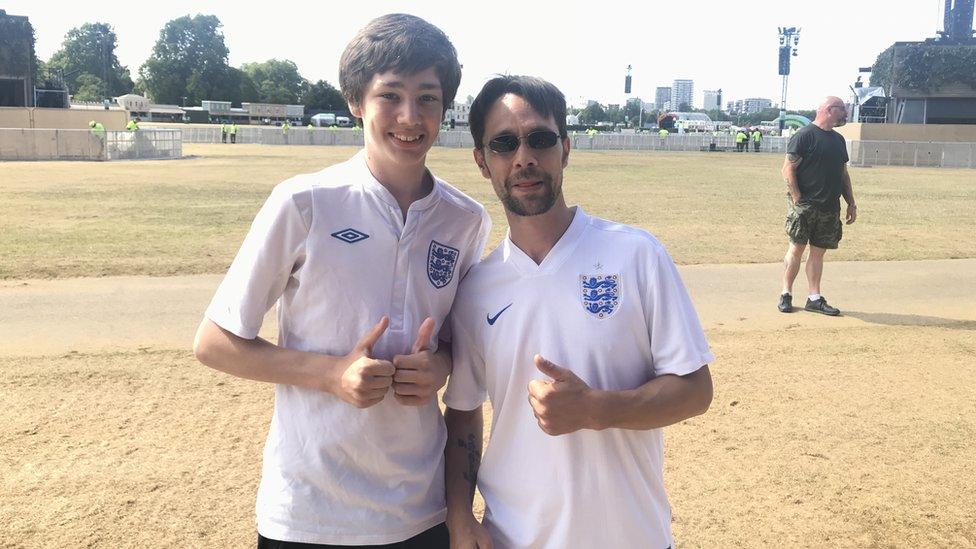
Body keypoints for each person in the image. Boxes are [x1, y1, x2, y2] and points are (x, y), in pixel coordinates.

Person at [193, 13, 490, 548]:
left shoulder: (466, 221)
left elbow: (456, 348)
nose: (409, 116)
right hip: (310, 513)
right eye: (390, 95)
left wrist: (439, 366)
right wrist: (332, 373)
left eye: (428, 98)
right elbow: (215, 344)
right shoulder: (304, 202)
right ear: (356, 101)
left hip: (421, 513)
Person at [443, 75, 714, 549]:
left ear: (565, 149)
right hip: (516, 539)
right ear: (482, 162)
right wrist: (459, 515)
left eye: (540, 139)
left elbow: (695, 391)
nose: (524, 157)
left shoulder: (635, 254)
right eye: (504, 144)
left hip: (632, 537)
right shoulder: (474, 291)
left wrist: (595, 409)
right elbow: (463, 413)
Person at [778, 96, 857, 315]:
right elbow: (787, 169)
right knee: (796, 249)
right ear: (830, 110)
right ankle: (786, 293)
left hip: (829, 207)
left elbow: (843, 173)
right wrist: (797, 199)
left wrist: (851, 202)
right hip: (805, 206)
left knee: (818, 253)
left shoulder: (838, 141)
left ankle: (814, 298)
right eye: (842, 109)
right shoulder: (804, 136)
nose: (845, 114)